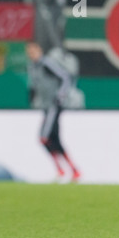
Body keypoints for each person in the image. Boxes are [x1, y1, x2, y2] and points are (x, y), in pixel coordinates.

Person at [26, 42, 80, 181]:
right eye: (29, 52)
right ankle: (72, 170)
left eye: (33, 51)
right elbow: (34, 85)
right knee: (53, 139)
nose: (31, 54)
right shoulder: (32, 67)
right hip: (46, 107)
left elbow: (65, 77)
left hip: (53, 106)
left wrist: (61, 95)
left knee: (44, 138)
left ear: (40, 50)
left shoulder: (47, 64)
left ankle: (63, 170)